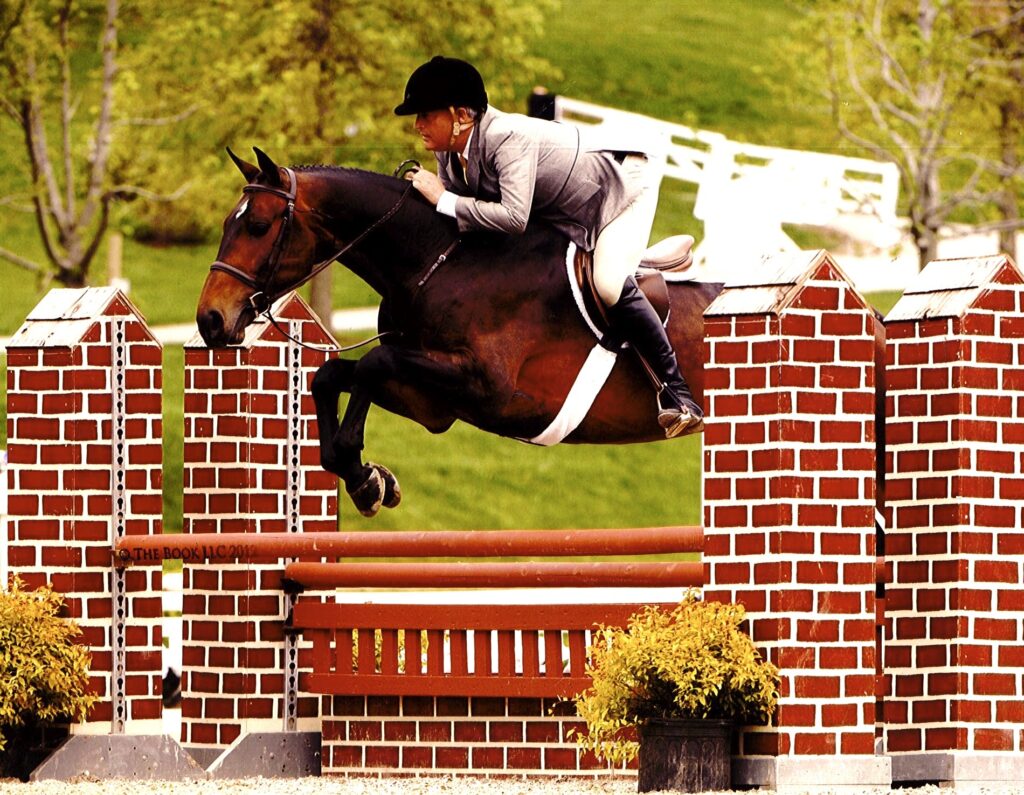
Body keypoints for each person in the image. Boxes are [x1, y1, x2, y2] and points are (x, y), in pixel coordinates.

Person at [395, 56, 703, 438]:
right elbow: (464, 221)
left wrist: (441, 200)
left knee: (608, 281)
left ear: (461, 115)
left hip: (622, 188)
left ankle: (678, 393)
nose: (417, 125)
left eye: (426, 114)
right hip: (566, 209)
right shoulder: (449, 153)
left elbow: (512, 218)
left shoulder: (507, 137)